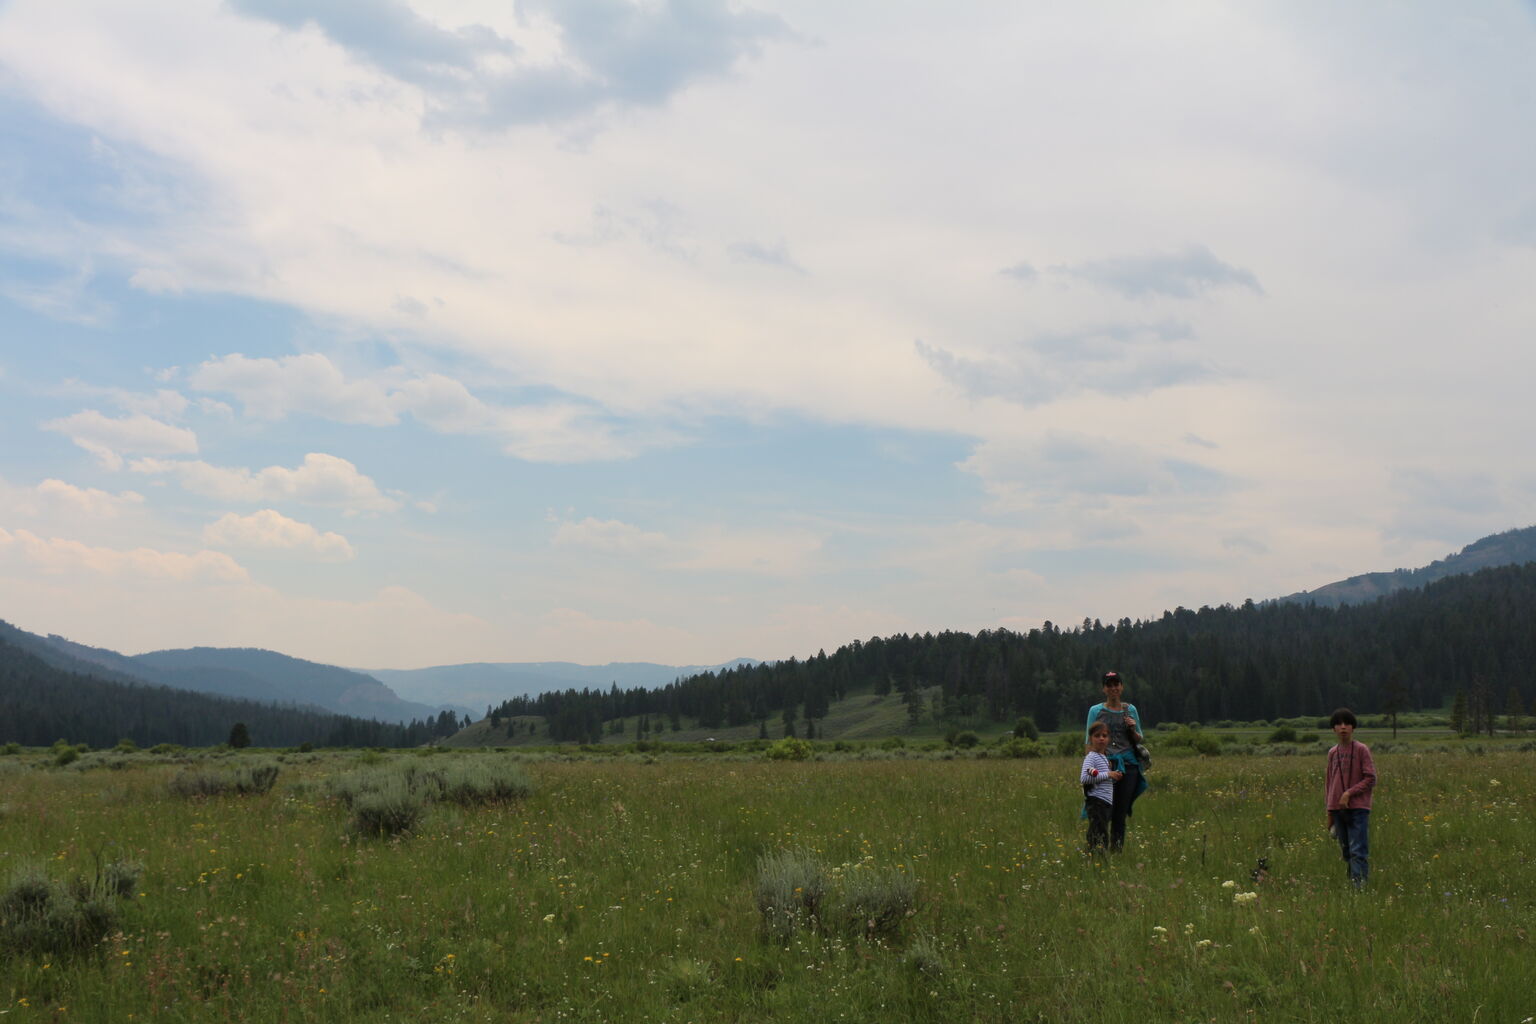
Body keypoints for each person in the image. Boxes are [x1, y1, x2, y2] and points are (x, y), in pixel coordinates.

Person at [1085, 670, 1146, 851]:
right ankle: (1097, 850)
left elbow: (1138, 738)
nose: (1113, 688)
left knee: (1120, 813)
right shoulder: (1095, 711)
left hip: (1128, 766)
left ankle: (1117, 852)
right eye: (1109, 685)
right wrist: (1088, 766)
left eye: (1116, 684)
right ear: (1104, 688)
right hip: (1103, 766)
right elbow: (1088, 741)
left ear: (1121, 687)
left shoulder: (1130, 709)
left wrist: (1133, 728)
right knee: (1100, 810)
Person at [1325, 707, 1376, 888]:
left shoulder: (1362, 750)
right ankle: (1353, 881)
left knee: (1358, 850)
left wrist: (1349, 793)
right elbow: (1330, 783)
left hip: (1358, 808)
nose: (1343, 727)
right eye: (1339, 724)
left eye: (1347, 723)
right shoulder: (1333, 753)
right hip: (1339, 810)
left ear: (1353, 728)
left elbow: (1371, 778)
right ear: (1334, 729)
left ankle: (1359, 888)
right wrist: (1330, 811)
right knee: (1346, 850)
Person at [1080, 721, 1121, 854]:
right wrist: (1108, 774)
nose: (1101, 738)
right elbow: (1084, 778)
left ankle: (1096, 857)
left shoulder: (1104, 757)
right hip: (1097, 801)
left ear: (1108, 738)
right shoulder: (1091, 757)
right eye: (1097, 735)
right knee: (1098, 834)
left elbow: (1102, 778)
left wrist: (1113, 777)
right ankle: (1095, 859)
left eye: (1104, 735)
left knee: (1101, 832)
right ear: (1091, 738)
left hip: (1105, 802)